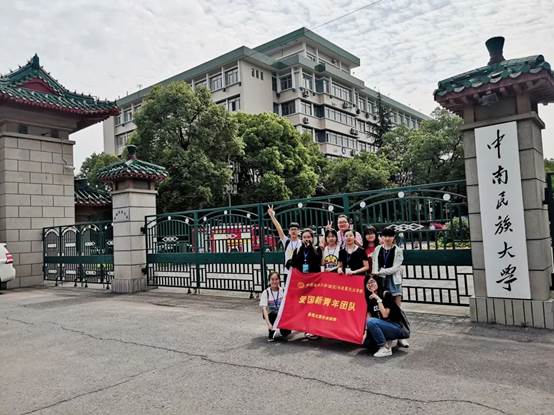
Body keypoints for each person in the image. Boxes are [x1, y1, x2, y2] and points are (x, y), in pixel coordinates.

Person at [372, 227, 409, 348]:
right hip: (381, 281)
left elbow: (395, 268)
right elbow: (375, 264)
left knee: (396, 310)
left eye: (390, 236)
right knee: (384, 309)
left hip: (394, 282)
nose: (387, 238)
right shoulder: (378, 248)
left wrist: (380, 271)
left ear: (394, 237)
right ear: (381, 237)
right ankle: (389, 336)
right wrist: (375, 275)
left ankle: (401, 337)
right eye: (385, 236)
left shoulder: (398, 250)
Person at [363, 276, 409, 357]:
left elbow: (385, 315)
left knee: (371, 322)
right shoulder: (369, 298)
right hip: (384, 326)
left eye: (373, 282)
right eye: (368, 283)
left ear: (378, 282)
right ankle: (387, 341)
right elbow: (369, 315)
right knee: (367, 343)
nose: (370, 284)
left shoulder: (386, 294)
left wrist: (378, 299)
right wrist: (366, 332)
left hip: (396, 327)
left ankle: (385, 348)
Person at [259, 271, 291, 342]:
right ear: (269, 280)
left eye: (276, 279)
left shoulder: (283, 291)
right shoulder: (266, 292)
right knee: (273, 314)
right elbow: (264, 309)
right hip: (272, 316)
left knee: (286, 333)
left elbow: (289, 306)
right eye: (272, 279)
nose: (274, 281)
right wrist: (269, 324)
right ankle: (272, 331)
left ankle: (283, 330)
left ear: (279, 280)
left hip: (282, 316)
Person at [268, 206, 301, 270]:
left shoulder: (302, 243)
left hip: (298, 272)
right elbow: (279, 228)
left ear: (299, 231)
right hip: (287, 271)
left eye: (295, 229)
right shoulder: (286, 241)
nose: (293, 231)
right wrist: (272, 216)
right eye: (291, 229)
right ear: (289, 232)